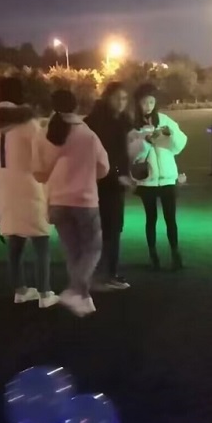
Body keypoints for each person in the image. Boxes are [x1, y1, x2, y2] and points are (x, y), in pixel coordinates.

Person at [34, 88, 109, 317]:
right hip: (84, 201)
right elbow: (104, 167)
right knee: (93, 248)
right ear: (76, 106)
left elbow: (39, 172)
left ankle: (83, 299)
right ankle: (75, 290)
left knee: (74, 252)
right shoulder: (88, 135)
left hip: (57, 200)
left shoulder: (46, 134)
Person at [0, 77, 56, 308]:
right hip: (30, 188)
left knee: (14, 242)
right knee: (41, 241)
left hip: (5, 189)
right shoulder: (28, 123)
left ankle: (20, 290)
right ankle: (45, 293)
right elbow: (41, 154)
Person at [132, 85, 187, 272]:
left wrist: (170, 136)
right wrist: (146, 142)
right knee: (151, 218)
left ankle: (175, 253)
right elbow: (132, 156)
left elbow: (179, 146)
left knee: (170, 218)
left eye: (151, 102)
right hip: (147, 180)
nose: (148, 106)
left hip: (167, 178)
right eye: (144, 102)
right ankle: (153, 253)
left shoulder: (164, 120)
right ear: (137, 104)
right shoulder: (133, 126)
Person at [86, 82, 135, 289]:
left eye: (124, 98)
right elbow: (102, 157)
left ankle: (106, 273)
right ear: (108, 98)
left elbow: (123, 153)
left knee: (113, 229)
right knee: (106, 230)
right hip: (101, 184)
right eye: (117, 98)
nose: (121, 103)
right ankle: (104, 275)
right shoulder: (99, 122)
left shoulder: (122, 121)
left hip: (114, 183)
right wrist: (117, 176)